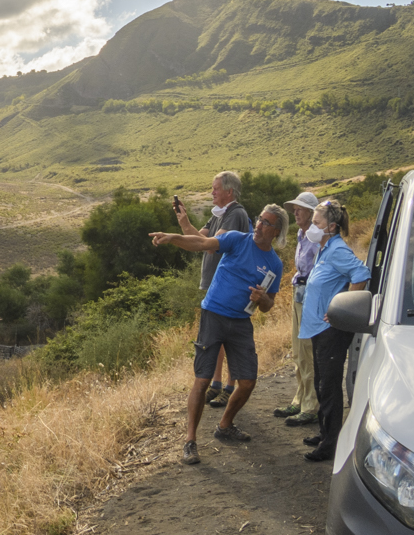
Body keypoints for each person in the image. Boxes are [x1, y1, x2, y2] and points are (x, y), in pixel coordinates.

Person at [153, 203, 287, 466]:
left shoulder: (274, 264)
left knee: (247, 382)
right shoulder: (237, 240)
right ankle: (190, 442)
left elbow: (269, 307)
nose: (259, 225)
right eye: (259, 219)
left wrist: (262, 299)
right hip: (213, 315)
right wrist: (173, 238)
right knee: (202, 381)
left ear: (277, 231)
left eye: (266, 223)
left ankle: (225, 425)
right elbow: (202, 244)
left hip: (240, 323)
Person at [297, 198, 371, 463]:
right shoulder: (324, 249)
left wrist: (344, 307)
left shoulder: (338, 250)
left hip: (332, 329)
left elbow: (361, 274)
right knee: (321, 382)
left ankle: (331, 444)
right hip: (320, 327)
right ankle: (325, 432)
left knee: (328, 385)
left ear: (331, 226)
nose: (311, 227)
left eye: (316, 222)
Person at [176, 171, 253, 406]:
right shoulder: (219, 215)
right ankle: (218, 384)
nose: (212, 192)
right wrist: (184, 223)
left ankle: (230, 387)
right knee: (216, 337)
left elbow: (211, 248)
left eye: (216, 188)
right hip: (216, 285)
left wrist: (179, 233)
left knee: (229, 336)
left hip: (229, 287)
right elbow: (198, 240)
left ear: (229, 191)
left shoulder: (235, 214)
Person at [274, 190, 321, 427]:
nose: (295, 212)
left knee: (306, 351)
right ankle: (300, 398)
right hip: (299, 294)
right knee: (297, 349)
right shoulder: (303, 235)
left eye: (299, 209)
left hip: (310, 297)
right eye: (295, 208)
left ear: (312, 213)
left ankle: (310, 405)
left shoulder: (316, 237)